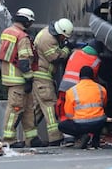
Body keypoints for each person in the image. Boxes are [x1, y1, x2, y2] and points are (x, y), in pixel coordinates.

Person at [0, 7, 44, 148]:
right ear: (26, 21)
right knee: (15, 109)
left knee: (28, 108)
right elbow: (24, 63)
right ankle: (9, 140)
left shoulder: (7, 32)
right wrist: (29, 78)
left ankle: (32, 138)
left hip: (10, 77)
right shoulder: (22, 37)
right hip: (20, 80)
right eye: (30, 22)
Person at [32, 18, 74, 146]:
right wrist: (66, 49)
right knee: (50, 105)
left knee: (37, 109)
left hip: (40, 77)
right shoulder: (48, 39)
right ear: (60, 33)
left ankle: (29, 137)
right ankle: (55, 138)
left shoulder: (48, 34)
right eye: (63, 37)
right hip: (42, 77)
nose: (63, 39)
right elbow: (55, 57)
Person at [56, 38, 103, 146]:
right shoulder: (96, 61)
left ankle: (68, 138)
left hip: (64, 86)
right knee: (81, 109)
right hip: (79, 88)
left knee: (63, 110)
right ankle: (84, 134)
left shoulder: (75, 53)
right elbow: (93, 77)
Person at [58, 66, 107, 149]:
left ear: (79, 77)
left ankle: (82, 136)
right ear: (93, 76)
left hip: (80, 125)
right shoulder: (101, 89)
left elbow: (69, 114)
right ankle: (95, 141)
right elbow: (103, 105)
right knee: (100, 118)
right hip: (98, 123)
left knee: (61, 126)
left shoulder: (71, 91)